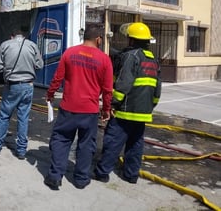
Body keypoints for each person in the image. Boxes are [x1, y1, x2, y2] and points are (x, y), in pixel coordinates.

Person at [44, 24, 113, 190]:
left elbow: (57, 77)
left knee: (61, 139)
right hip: (89, 111)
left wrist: (50, 94)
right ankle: (81, 179)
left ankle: (55, 176)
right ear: (98, 39)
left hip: (68, 107)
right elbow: (107, 90)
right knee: (86, 144)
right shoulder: (104, 59)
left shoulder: (70, 52)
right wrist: (106, 110)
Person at [94, 22, 161, 184]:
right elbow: (157, 89)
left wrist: (112, 104)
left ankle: (102, 173)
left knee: (113, 141)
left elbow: (123, 84)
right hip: (143, 113)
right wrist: (151, 106)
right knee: (135, 145)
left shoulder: (131, 57)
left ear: (131, 40)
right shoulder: (153, 60)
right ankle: (131, 175)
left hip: (125, 111)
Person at [0, 28, 43, 160]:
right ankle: (21, 151)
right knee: (23, 118)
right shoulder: (32, 45)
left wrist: (7, 68)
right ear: (23, 36)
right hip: (28, 85)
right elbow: (40, 65)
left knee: (4, 116)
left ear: (11, 36)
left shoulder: (5, 45)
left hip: (12, 86)